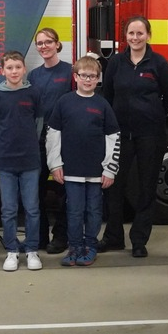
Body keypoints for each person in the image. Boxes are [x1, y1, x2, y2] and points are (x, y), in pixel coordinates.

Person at [99, 16, 168, 258]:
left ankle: (139, 240)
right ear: (126, 36)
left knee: (146, 187)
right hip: (121, 136)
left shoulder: (159, 63)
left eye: (140, 33)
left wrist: (153, 115)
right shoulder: (116, 63)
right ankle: (113, 237)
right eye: (131, 33)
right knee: (114, 186)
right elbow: (107, 95)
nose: (135, 37)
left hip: (150, 136)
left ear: (148, 35)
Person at [46, 55, 121, 267]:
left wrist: (110, 169)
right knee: (74, 210)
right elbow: (53, 134)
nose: (88, 79)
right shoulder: (64, 102)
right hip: (70, 170)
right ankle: (75, 246)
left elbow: (113, 137)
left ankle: (90, 246)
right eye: (83, 75)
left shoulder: (103, 104)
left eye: (92, 76)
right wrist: (55, 164)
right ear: (75, 77)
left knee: (94, 210)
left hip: (97, 172)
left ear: (98, 79)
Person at [0, 50, 44, 272]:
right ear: (2, 71)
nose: (13, 71)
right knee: (9, 209)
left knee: (32, 208)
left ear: (24, 69)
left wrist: (28, 142)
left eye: (17, 67)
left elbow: (38, 123)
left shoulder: (33, 93)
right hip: (6, 162)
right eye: (9, 68)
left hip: (30, 160)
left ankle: (31, 250)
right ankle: (12, 250)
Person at [28, 27, 74, 254]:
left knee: (63, 189)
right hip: (38, 140)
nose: (44, 46)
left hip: (63, 140)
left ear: (57, 44)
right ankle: (39, 236)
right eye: (40, 43)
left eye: (48, 42)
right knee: (35, 191)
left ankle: (61, 236)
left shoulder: (70, 72)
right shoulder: (33, 76)